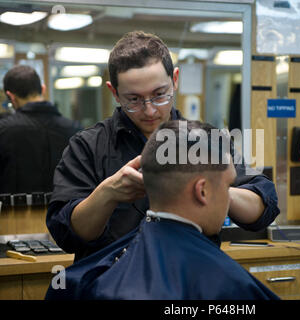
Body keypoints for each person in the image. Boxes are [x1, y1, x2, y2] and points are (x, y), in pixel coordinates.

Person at [47, 30, 280, 261]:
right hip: (112, 284)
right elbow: (66, 235)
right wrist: (109, 193)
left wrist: (215, 189)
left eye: (159, 94)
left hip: (190, 281)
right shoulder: (87, 146)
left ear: (175, 80)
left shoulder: (206, 140)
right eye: (134, 99)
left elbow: (264, 209)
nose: (149, 110)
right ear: (114, 93)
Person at [45, 120, 280, 300]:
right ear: (202, 191)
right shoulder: (230, 286)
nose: (148, 109)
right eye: (228, 186)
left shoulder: (77, 281)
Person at [0, 65, 83, 194]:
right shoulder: (75, 129)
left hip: (14, 213)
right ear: (43, 89)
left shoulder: (4, 130)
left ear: (11, 97)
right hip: (66, 212)